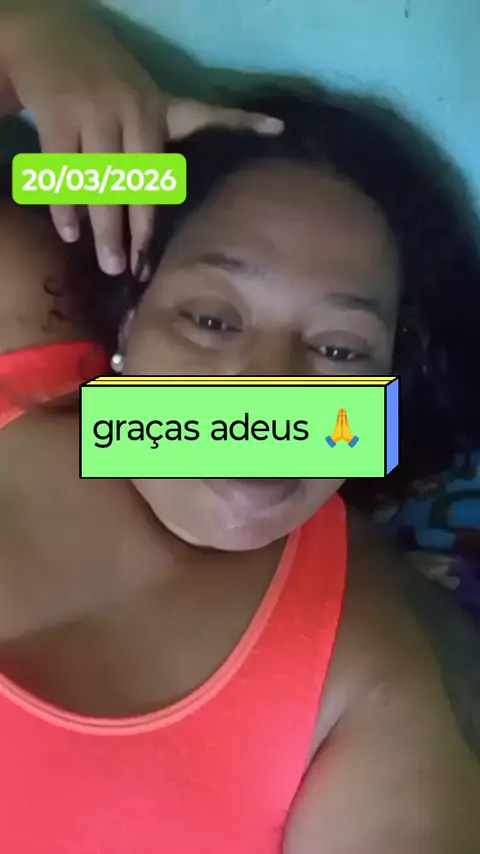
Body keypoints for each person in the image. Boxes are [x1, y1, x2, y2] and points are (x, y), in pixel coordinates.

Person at [0, 2, 479, 853]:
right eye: (212, 320)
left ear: (388, 396)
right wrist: (32, 38)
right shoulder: (27, 315)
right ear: (131, 308)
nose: (259, 400)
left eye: (338, 350)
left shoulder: (379, 683)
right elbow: (48, 178)